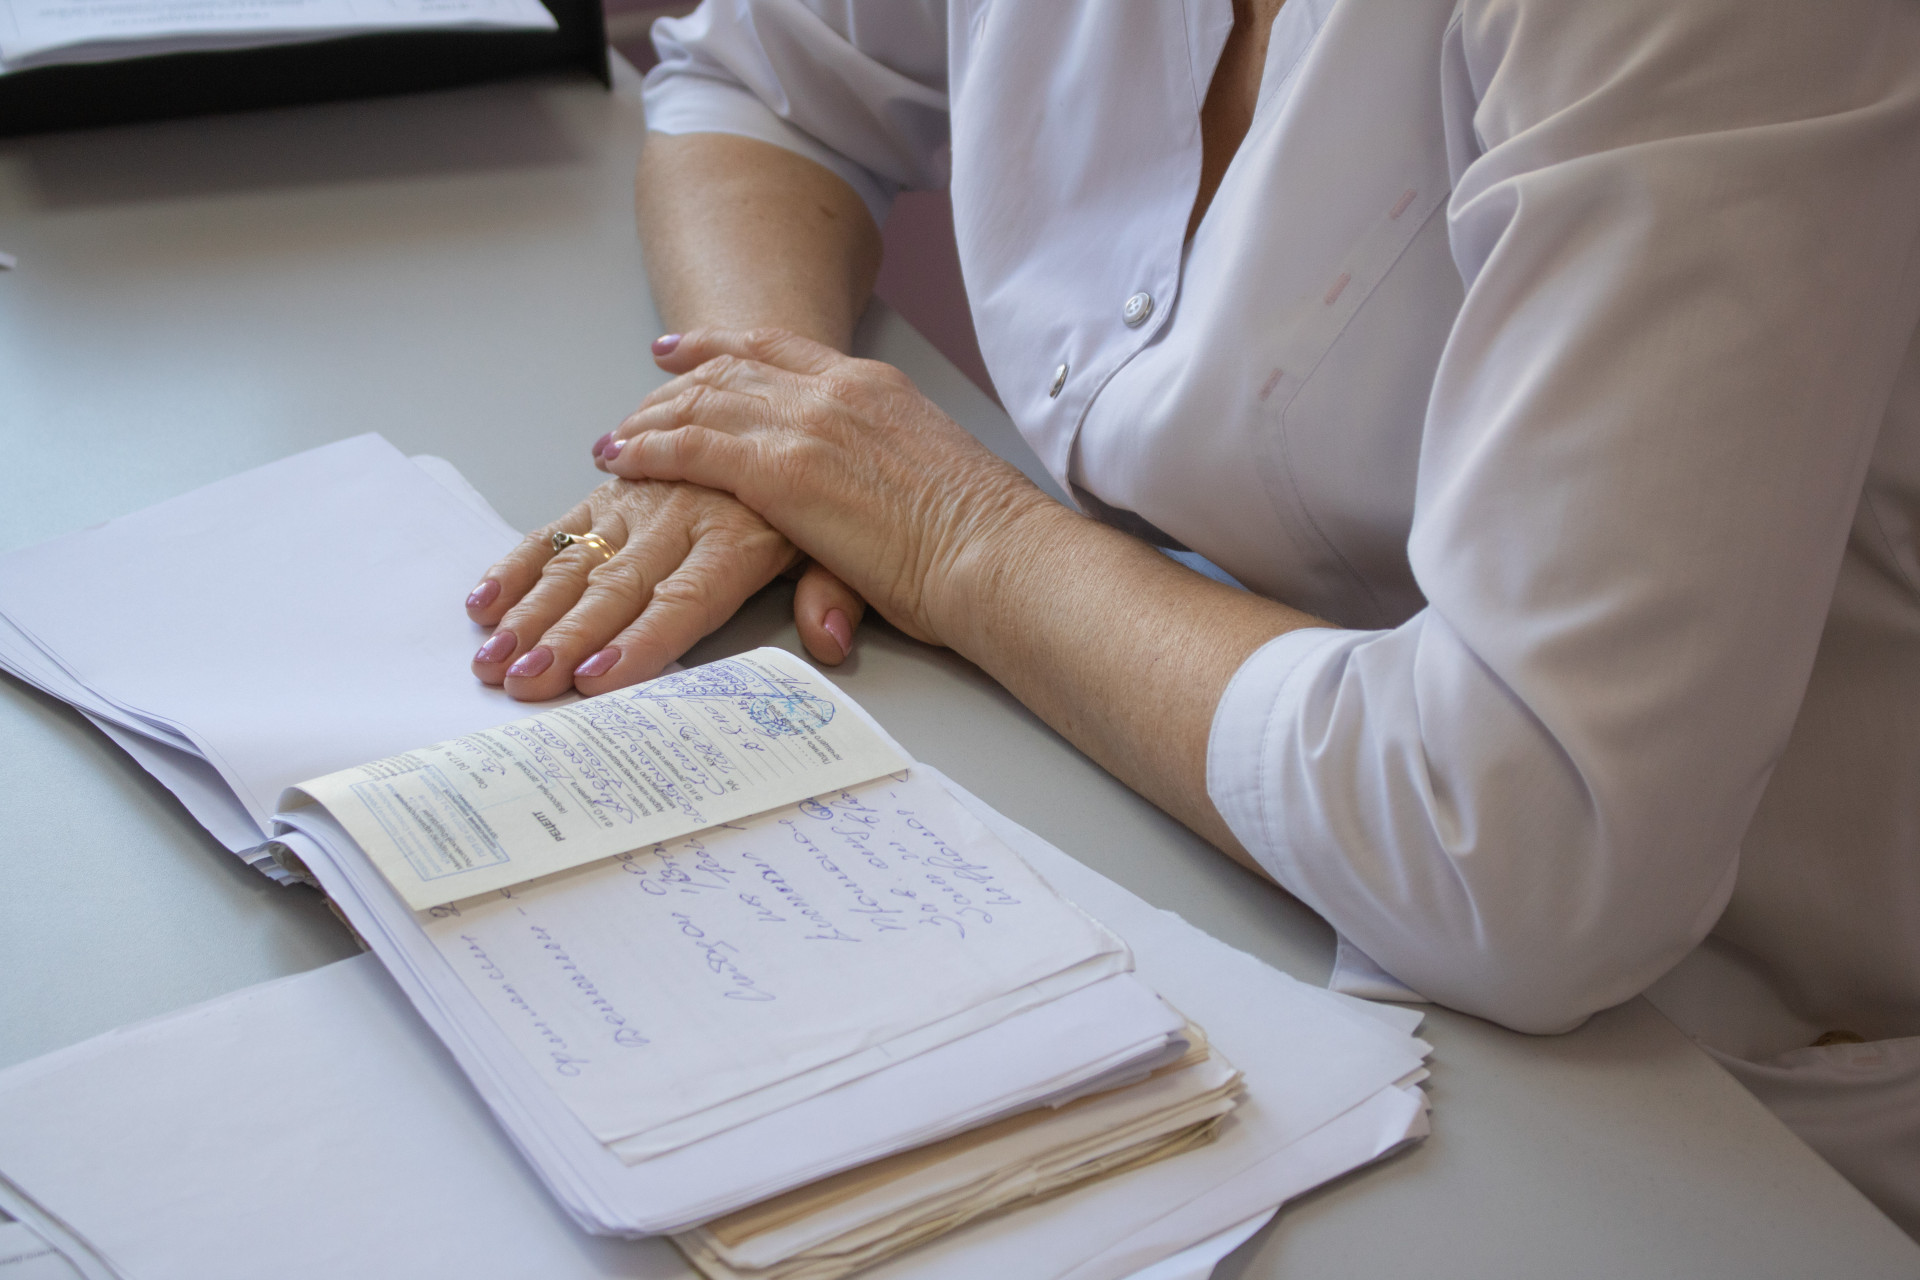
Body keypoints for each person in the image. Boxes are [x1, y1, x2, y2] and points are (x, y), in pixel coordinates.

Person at [459, 0, 1920, 1237]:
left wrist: (954, 533)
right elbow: (767, 75)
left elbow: (1524, 844)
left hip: (1717, 1084)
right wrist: (767, 425)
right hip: (1205, 827)